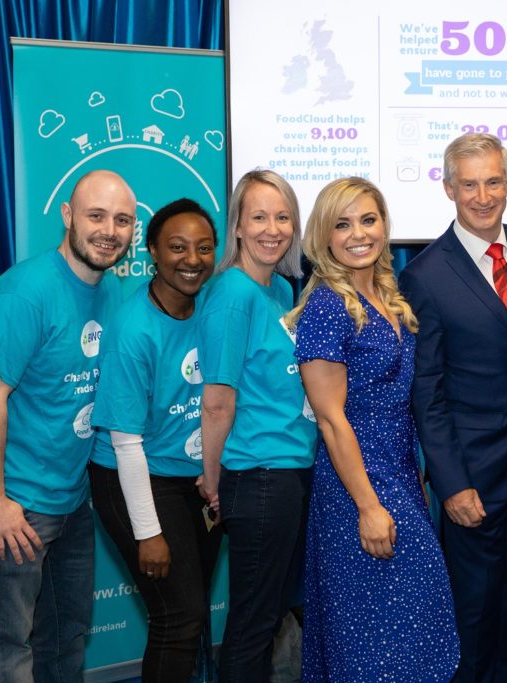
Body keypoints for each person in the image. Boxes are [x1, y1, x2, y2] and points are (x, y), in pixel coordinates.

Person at [0, 170, 134, 682]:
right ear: (67, 216)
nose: (109, 230)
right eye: (96, 216)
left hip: (71, 496)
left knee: (66, 634)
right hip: (13, 498)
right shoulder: (24, 293)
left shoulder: (113, 291)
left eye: (122, 220)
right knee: (9, 646)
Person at [398, 132, 507, 682]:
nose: (483, 195)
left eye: (493, 181)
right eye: (469, 184)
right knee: (474, 612)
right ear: (448, 189)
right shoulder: (423, 274)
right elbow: (428, 390)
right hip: (476, 476)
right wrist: (451, 483)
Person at [290, 176, 460, 681]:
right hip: (357, 484)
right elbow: (330, 418)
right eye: (342, 224)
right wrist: (367, 506)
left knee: (408, 625)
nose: (358, 233)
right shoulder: (325, 306)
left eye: (368, 219)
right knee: (374, 636)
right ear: (323, 236)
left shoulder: (389, 297)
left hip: (399, 472)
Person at [88, 198, 222, 682]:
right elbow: (126, 445)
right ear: (151, 252)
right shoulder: (133, 328)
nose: (192, 259)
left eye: (204, 248)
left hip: (194, 482)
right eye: (178, 247)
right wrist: (148, 531)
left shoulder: (210, 308)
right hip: (135, 478)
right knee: (178, 618)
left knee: (191, 611)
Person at [197, 169, 318, 682]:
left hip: (290, 471)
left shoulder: (280, 291)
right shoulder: (232, 294)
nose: (273, 228)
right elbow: (218, 401)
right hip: (258, 475)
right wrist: (211, 478)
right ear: (239, 227)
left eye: (283, 216)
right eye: (260, 217)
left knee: (268, 618)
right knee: (252, 624)